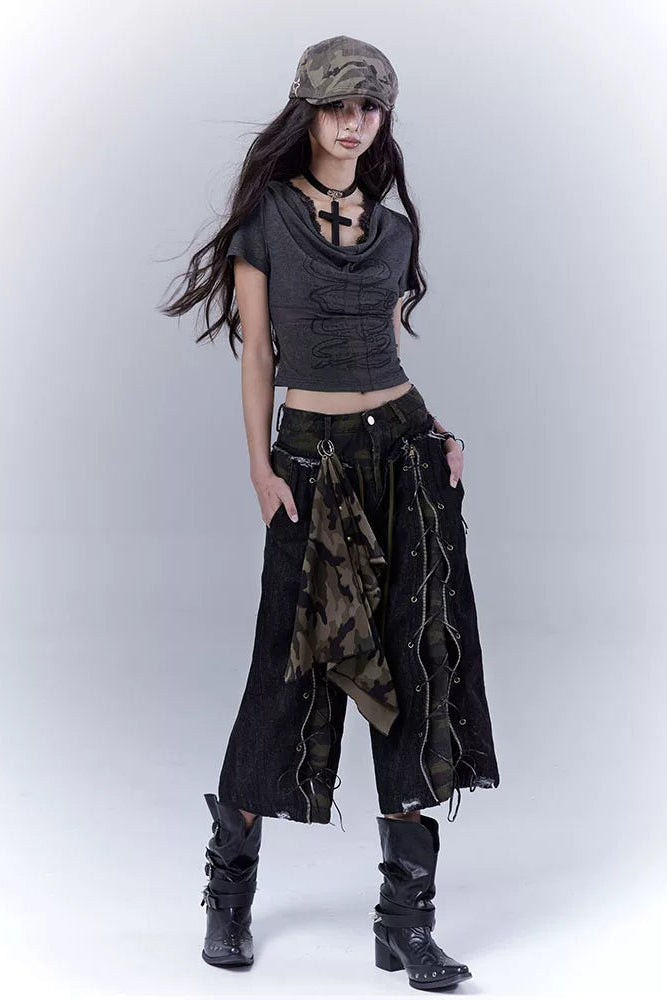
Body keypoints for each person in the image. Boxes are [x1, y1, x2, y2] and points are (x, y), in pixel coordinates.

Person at [160, 34, 500, 992]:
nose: (353, 123)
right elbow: (259, 354)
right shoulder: (267, 219)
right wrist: (260, 467)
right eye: (337, 106)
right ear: (307, 113)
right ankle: (229, 895)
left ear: (382, 119)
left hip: (404, 458)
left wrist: (437, 431)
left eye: (369, 107)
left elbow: (383, 355)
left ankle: (405, 925)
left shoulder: (392, 232)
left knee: (413, 668)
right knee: (286, 672)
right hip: (309, 461)